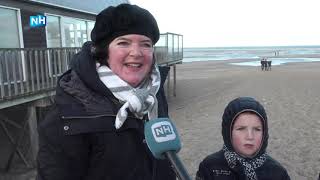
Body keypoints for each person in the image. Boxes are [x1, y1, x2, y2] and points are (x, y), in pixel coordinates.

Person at [36, 4, 176, 180]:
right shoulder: (66, 116)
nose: (137, 52)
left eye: (146, 44)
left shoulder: (153, 95)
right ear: (103, 52)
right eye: (123, 43)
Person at [196, 97, 290, 180]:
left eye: (257, 129)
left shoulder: (278, 173)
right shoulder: (209, 167)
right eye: (241, 129)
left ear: (264, 133)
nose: (250, 136)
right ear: (228, 132)